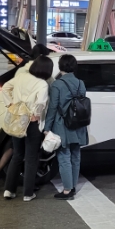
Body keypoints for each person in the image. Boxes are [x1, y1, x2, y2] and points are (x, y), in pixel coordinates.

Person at [2, 55, 53, 201]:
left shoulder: (20, 77)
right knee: (31, 158)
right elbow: (41, 102)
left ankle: (8, 190)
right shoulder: (42, 84)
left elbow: (5, 88)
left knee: (17, 155)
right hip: (31, 123)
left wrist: (9, 104)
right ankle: (28, 193)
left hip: (17, 119)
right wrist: (36, 114)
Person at [44, 54, 88, 200]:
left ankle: (67, 190)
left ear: (60, 66)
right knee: (76, 156)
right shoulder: (81, 83)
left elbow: (53, 107)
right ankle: (73, 186)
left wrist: (47, 127)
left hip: (63, 124)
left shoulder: (57, 84)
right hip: (78, 124)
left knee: (63, 156)